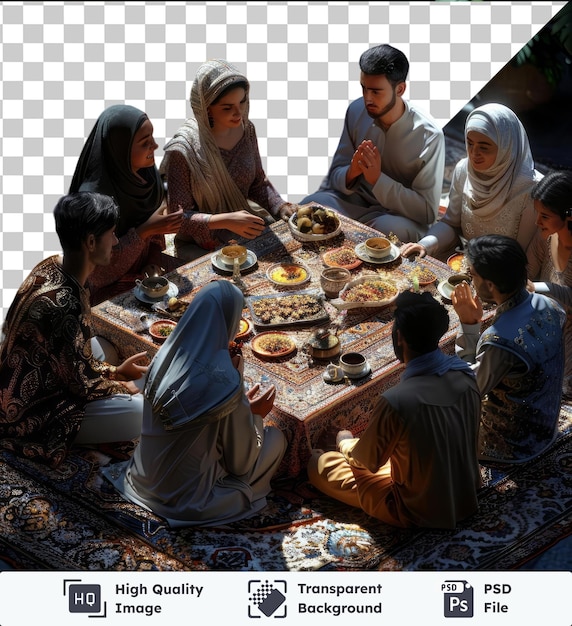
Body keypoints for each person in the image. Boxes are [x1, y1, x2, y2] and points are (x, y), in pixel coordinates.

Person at [102, 280, 288, 527]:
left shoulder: (164, 356)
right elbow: (240, 463)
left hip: (141, 480)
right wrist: (254, 415)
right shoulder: (225, 382)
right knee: (275, 438)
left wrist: (239, 402)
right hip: (187, 503)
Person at [307, 291, 481, 529]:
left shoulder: (397, 401)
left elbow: (365, 463)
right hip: (464, 492)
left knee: (320, 464)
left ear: (399, 337)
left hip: (417, 508)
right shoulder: (464, 374)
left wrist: (343, 440)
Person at [0, 192, 148, 468]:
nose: (116, 242)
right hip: (31, 409)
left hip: (27, 374)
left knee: (103, 347)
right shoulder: (64, 305)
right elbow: (81, 385)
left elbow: (75, 356)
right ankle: (85, 438)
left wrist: (114, 370)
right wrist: (120, 383)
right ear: (91, 242)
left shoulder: (53, 264)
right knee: (138, 412)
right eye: (112, 234)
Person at [299, 44, 445, 243]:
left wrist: (377, 179)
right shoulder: (356, 110)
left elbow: (426, 212)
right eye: (364, 88)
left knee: (382, 231)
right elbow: (336, 177)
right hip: (355, 205)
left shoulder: (429, 135)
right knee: (311, 205)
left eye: (376, 92)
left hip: (399, 218)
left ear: (400, 89)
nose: (367, 98)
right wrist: (352, 172)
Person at [161, 59, 296, 261]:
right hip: (202, 243)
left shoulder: (247, 130)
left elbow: (258, 183)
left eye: (242, 102)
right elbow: (179, 220)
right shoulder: (184, 150)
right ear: (206, 108)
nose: (238, 112)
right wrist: (226, 220)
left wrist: (280, 206)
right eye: (227, 107)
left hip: (246, 226)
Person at [451, 234, 566, 464]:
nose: (471, 280)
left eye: (473, 275)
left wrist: (469, 325)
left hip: (513, 445)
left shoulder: (500, 341)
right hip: (547, 423)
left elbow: (468, 391)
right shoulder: (550, 305)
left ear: (490, 285)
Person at [69, 104, 184, 304]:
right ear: (120, 149)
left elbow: (154, 229)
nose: (155, 146)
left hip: (144, 275)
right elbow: (98, 275)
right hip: (104, 291)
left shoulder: (145, 177)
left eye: (152, 137)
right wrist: (144, 231)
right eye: (144, 142)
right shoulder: (91, 200)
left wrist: (153, 260)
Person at [401, 102, 542, 262]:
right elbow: (450, 223)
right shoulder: (464, 169)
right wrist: (425, 245)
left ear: (505, 147)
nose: (474, 153)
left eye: (484, 147)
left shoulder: (531, 189)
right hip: (466, 261)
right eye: (470, 143)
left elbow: (520, 253)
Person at [526, 170, 572, 398]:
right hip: (546, 316)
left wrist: (539, 287)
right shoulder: (545, 235)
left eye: (544, 215)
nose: (537, 221)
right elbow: (528, 269)